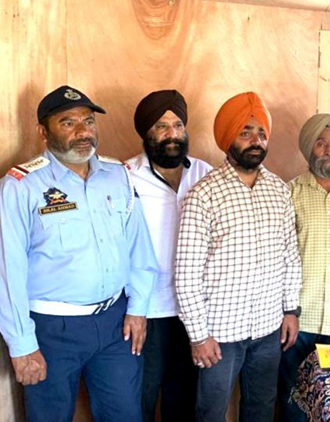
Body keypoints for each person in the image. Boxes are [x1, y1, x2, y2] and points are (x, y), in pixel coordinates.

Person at [0, 85, 158, 421]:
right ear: (43, 132)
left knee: (125, 414)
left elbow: (138, 247)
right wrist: (22, 344)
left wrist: (138, 308)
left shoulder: (118, 175)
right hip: (51, 330)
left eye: (88, 121)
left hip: (116, 323)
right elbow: (7, 270)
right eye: (68, 123)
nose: (83, 132)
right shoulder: (21, 186)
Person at [174, 92, 302, 422]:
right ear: (228, 138)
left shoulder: (279, 191)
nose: (256, 141)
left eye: (261, 133)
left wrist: (290, 310)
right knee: (211, 411)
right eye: (245, 132)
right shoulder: (203, 194)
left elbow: (290, 256)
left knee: (261, 407)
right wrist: (198, 336)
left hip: (268, 327)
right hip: (219, 333)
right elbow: (186, 274)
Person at [127, 89, 212, 422]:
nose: (172, 134)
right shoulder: (125, 176)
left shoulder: (205, 174)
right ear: (146, 133)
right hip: (146, 310)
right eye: (161, 127)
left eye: (177, 125)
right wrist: (134, 309)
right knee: (141, 398)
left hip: (195, 312)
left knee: (184, 398)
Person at [278, 113, 330, 422]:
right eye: (321, 144)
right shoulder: (289, 193)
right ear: (308, 149)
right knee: (294, 400)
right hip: (299, 321)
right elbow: (280, 257)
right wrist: (287, 311)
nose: (329, 151)